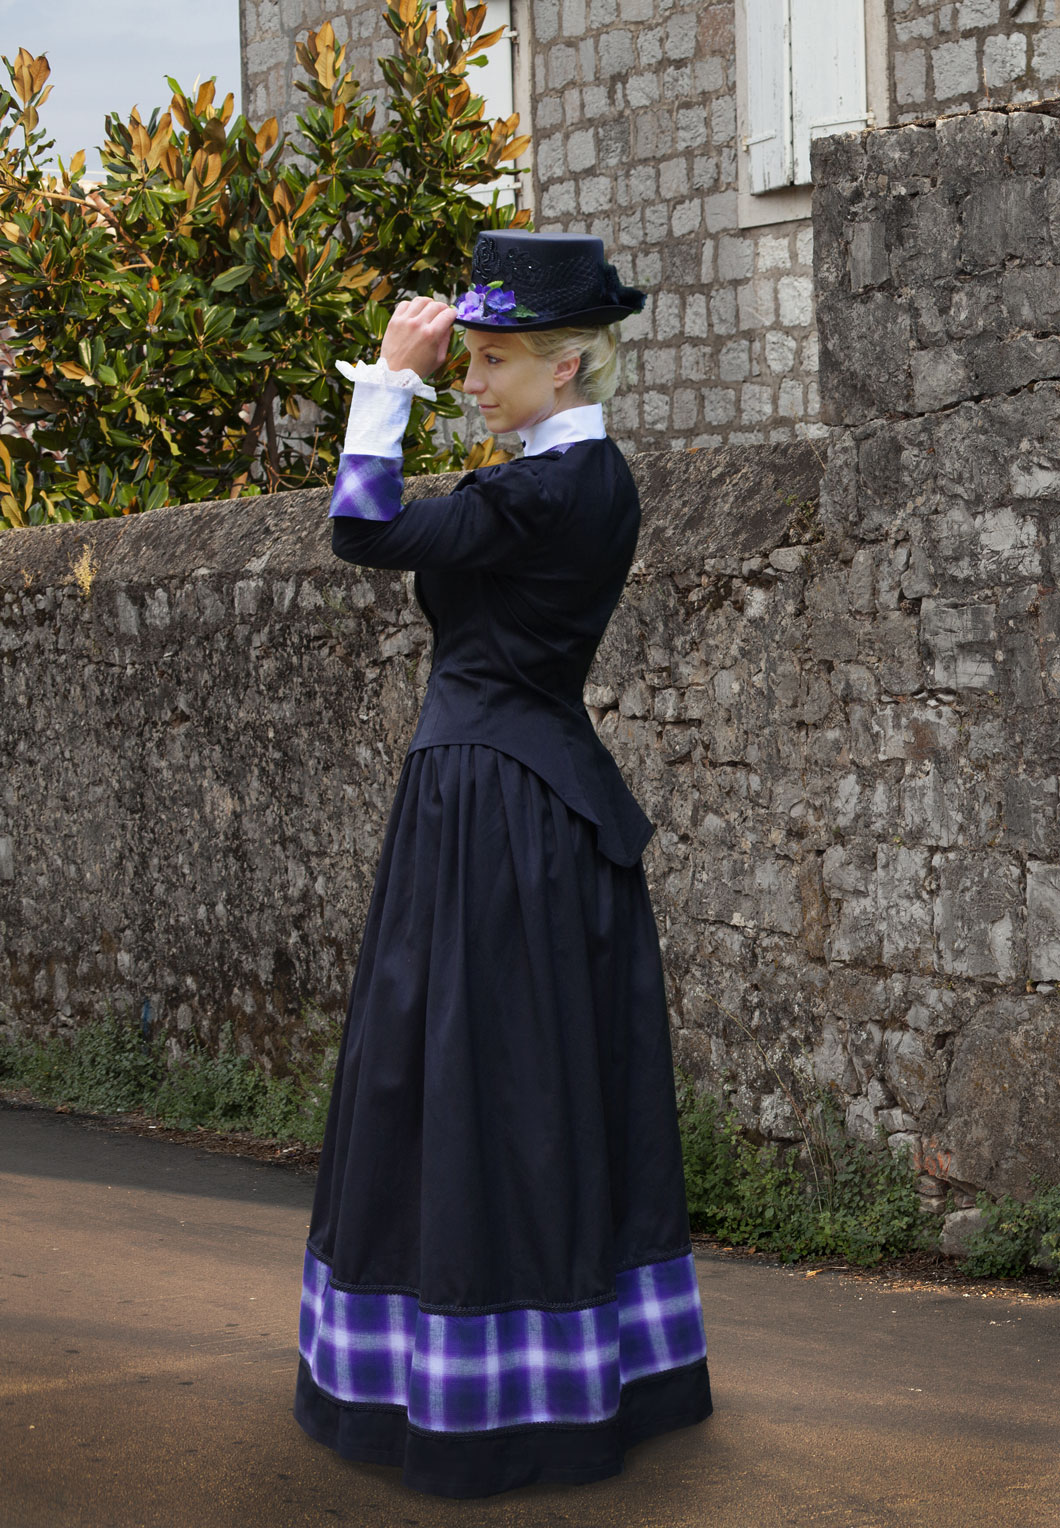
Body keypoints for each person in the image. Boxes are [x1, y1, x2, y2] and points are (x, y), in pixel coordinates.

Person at [293, 230, 712, 1499]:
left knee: (471, 1080)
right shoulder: (584, 478)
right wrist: (429, 372)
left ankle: (484, 1395)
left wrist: (387, 376)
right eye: (463, 360)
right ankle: (584, 1366)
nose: (472, 382)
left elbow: (361, 529)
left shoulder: (539, 493)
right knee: (526, 1081)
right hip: (527, 797)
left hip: (492, 812)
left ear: (567, 365)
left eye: (490, 361)